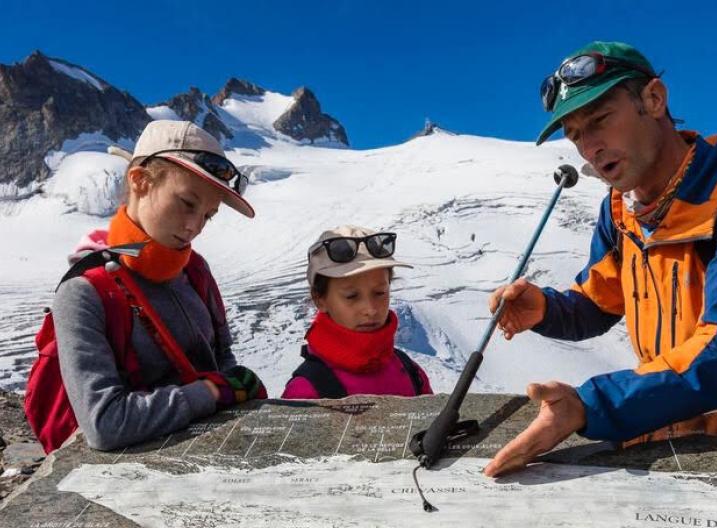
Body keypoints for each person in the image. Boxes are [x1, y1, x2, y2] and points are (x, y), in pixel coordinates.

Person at [484, 41, 717, 477]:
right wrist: (544, 309)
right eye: (576, 134)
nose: (590, 147)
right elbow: (598, 303)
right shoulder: (621, 211)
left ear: (654, 99)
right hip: (667, 416)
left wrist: (589, 407)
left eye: (600, 120)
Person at [53, 120, 267, 451]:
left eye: (208, 215)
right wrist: (209, 393)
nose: (195, 227)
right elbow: (104, 423)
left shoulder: (195, 269)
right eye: (187, 203)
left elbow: (221, 359)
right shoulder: (83, 292)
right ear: (139, 181)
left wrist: (230, 384)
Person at [281, 225, 433, 399]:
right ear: (319, 299)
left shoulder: (411, 371)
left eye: (380, 293)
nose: (370, 309)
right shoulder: (305, 393)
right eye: (351, 296)